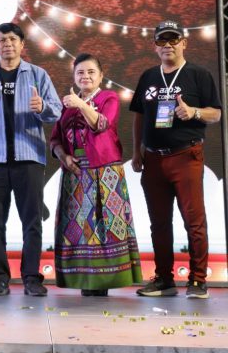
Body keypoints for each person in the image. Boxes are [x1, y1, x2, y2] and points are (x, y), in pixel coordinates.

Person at [0, 22, 61, 297]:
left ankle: (31, 278)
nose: (7, 44)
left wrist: (42, 107)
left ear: (21, 44)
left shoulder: (37, 74)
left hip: (28, 159)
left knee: (32, 222)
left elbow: (56, 111)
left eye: (12, 39)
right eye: (2, 40)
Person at [130, 20, 221, 299]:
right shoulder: (148, 76)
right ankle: (164, 279)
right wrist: (137, 151)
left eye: (173, 39)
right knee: (158, 222)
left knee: (194, 221)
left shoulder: (199, 74)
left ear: (184, 43)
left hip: (186, 156)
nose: (167, 45)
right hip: (153, 159)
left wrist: (194, 112)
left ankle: (198, 280)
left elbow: (216, 113)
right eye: (162, 40)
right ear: (155, 46)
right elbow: (139, 116)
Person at [50, 53, 142, 296]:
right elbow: (55, 139)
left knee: (104, 225)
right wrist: (64, 157)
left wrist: (80, 105)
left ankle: (104, 281)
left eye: (91, 72)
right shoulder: (66, 104)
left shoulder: (108, 97)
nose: (86, 76)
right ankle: (83, 280)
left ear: (101, 76)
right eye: (80, 72)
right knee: (78, 228)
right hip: (75, 173)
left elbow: (101, 124)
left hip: (105, 171)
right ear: (74, 77)